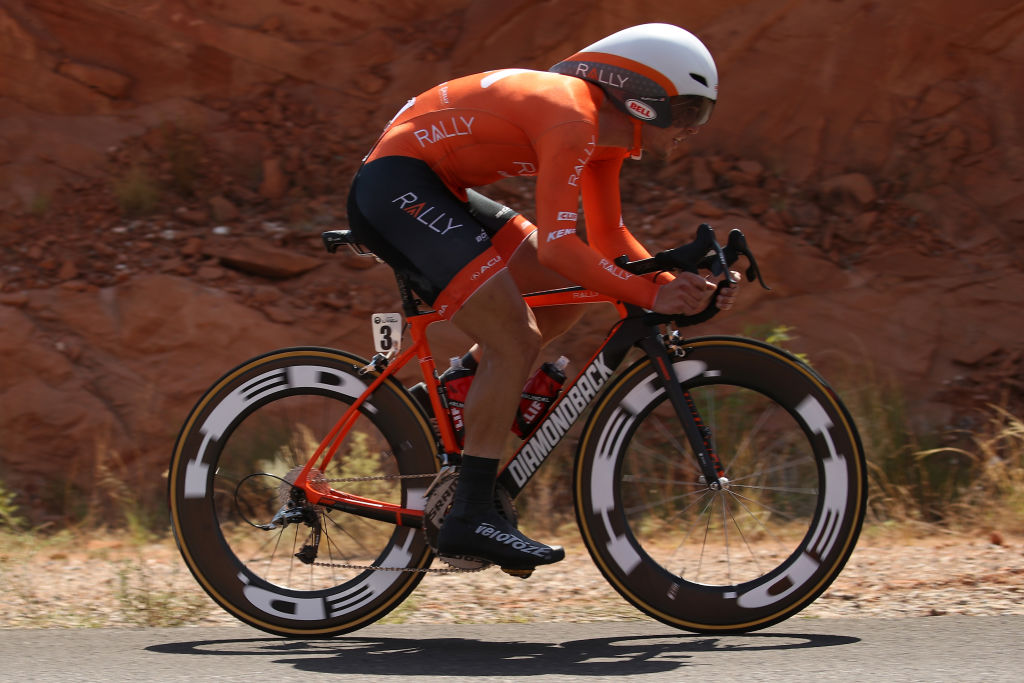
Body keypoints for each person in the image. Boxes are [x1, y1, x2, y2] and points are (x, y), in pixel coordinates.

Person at [346, 23, 739, 572]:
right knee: (515, 339)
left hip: (435, 187)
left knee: (572, 292)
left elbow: (608, 242)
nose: (692, 128)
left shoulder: (603, 135)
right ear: (641, 95)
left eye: (702, 114)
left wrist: (675, 287)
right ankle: (471, 516)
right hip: (396, 189)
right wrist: (653, 294)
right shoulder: (572, 115)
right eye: (688, 110)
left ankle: (457, 395)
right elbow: (558, 247)